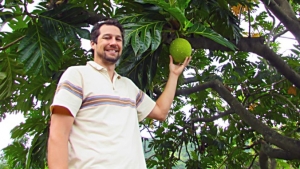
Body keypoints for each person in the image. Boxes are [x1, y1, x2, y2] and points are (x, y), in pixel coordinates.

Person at [47, 19, 191, 169]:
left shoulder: (128, 86)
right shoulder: (77, 75)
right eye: (107, 37)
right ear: (93, 43)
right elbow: (59, 134)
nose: (113, 43)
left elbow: (161, 112)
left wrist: (174, 75)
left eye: (118, 39)